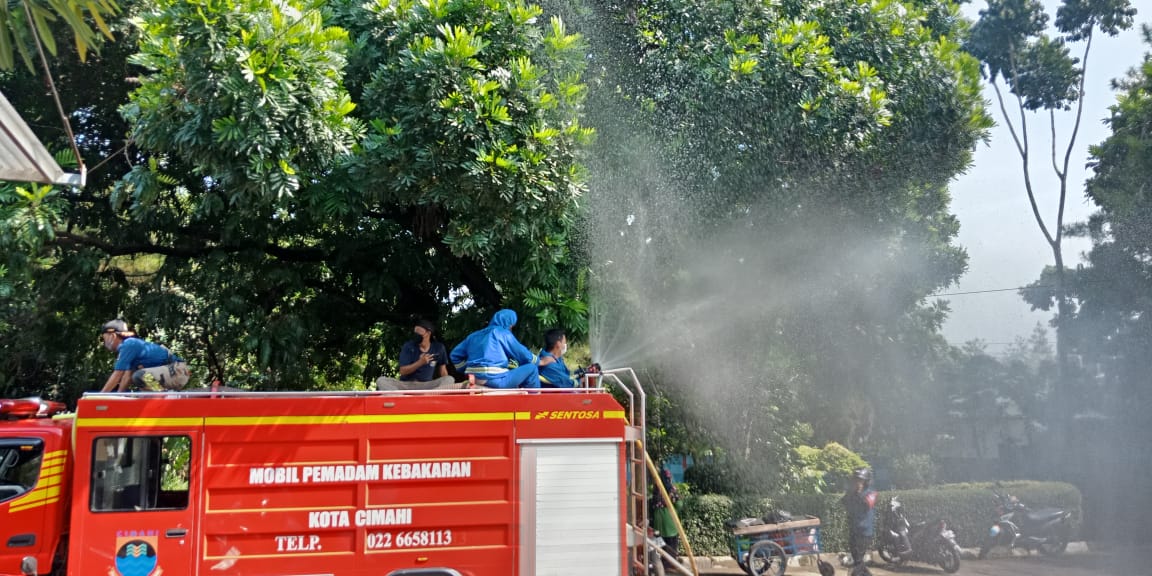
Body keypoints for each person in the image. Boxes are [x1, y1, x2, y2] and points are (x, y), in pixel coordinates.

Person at [449, 309, 540, 389]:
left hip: (473, 378)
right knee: (532, 368)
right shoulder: (503, 333)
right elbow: (522, 354)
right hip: (495, 380)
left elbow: (454, 355)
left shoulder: (473, 336)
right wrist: (538, 361)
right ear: (509, 324)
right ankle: (535, 404)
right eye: (512, 326)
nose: (511, 328)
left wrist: (467, 368)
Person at [98, 320, 190, 392]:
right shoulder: (130, 347)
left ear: (112, 336)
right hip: (172, 372)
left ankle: (162, 394)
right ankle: (161, 394)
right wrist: (119, 395)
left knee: (140, 375)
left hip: (177, 371)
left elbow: (117, 374)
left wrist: (100, 397)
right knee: (140, 383)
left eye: (104, 337)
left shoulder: (129, 344)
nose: (104, 342)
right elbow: (127, 376)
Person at [376, 319, 460, 391]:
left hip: (427, 386)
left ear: (428, 333)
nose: (416, 334)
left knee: (449, 379)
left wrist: (446, 386)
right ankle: (403, 398)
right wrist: (420, 362)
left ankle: (430, 395)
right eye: (415, 332)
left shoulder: (438, 348)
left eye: (419, 332)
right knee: (381, 380)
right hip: (406, 385)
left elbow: (443, 371)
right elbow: (402, 371)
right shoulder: (408, 346)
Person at [841, 467, 877, 576]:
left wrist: (859, 492)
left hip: (864, 532)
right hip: (854, 530)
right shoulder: (852, 493)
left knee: (858, 562)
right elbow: (844, 502)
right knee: (858, 561)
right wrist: (852, 492)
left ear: (866, 481)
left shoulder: (871, 494)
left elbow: (866, 504)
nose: (857, 483)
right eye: (856, 480)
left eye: (860, 480)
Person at [650, 467, 683, 563]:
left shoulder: (656, 489)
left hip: (659, 528)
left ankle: (663, 569)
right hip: (669, 528)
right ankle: (668, 568)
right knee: (669, 554)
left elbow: (653, 506)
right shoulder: (671, 490)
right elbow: (679, 505)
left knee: (660, 553)